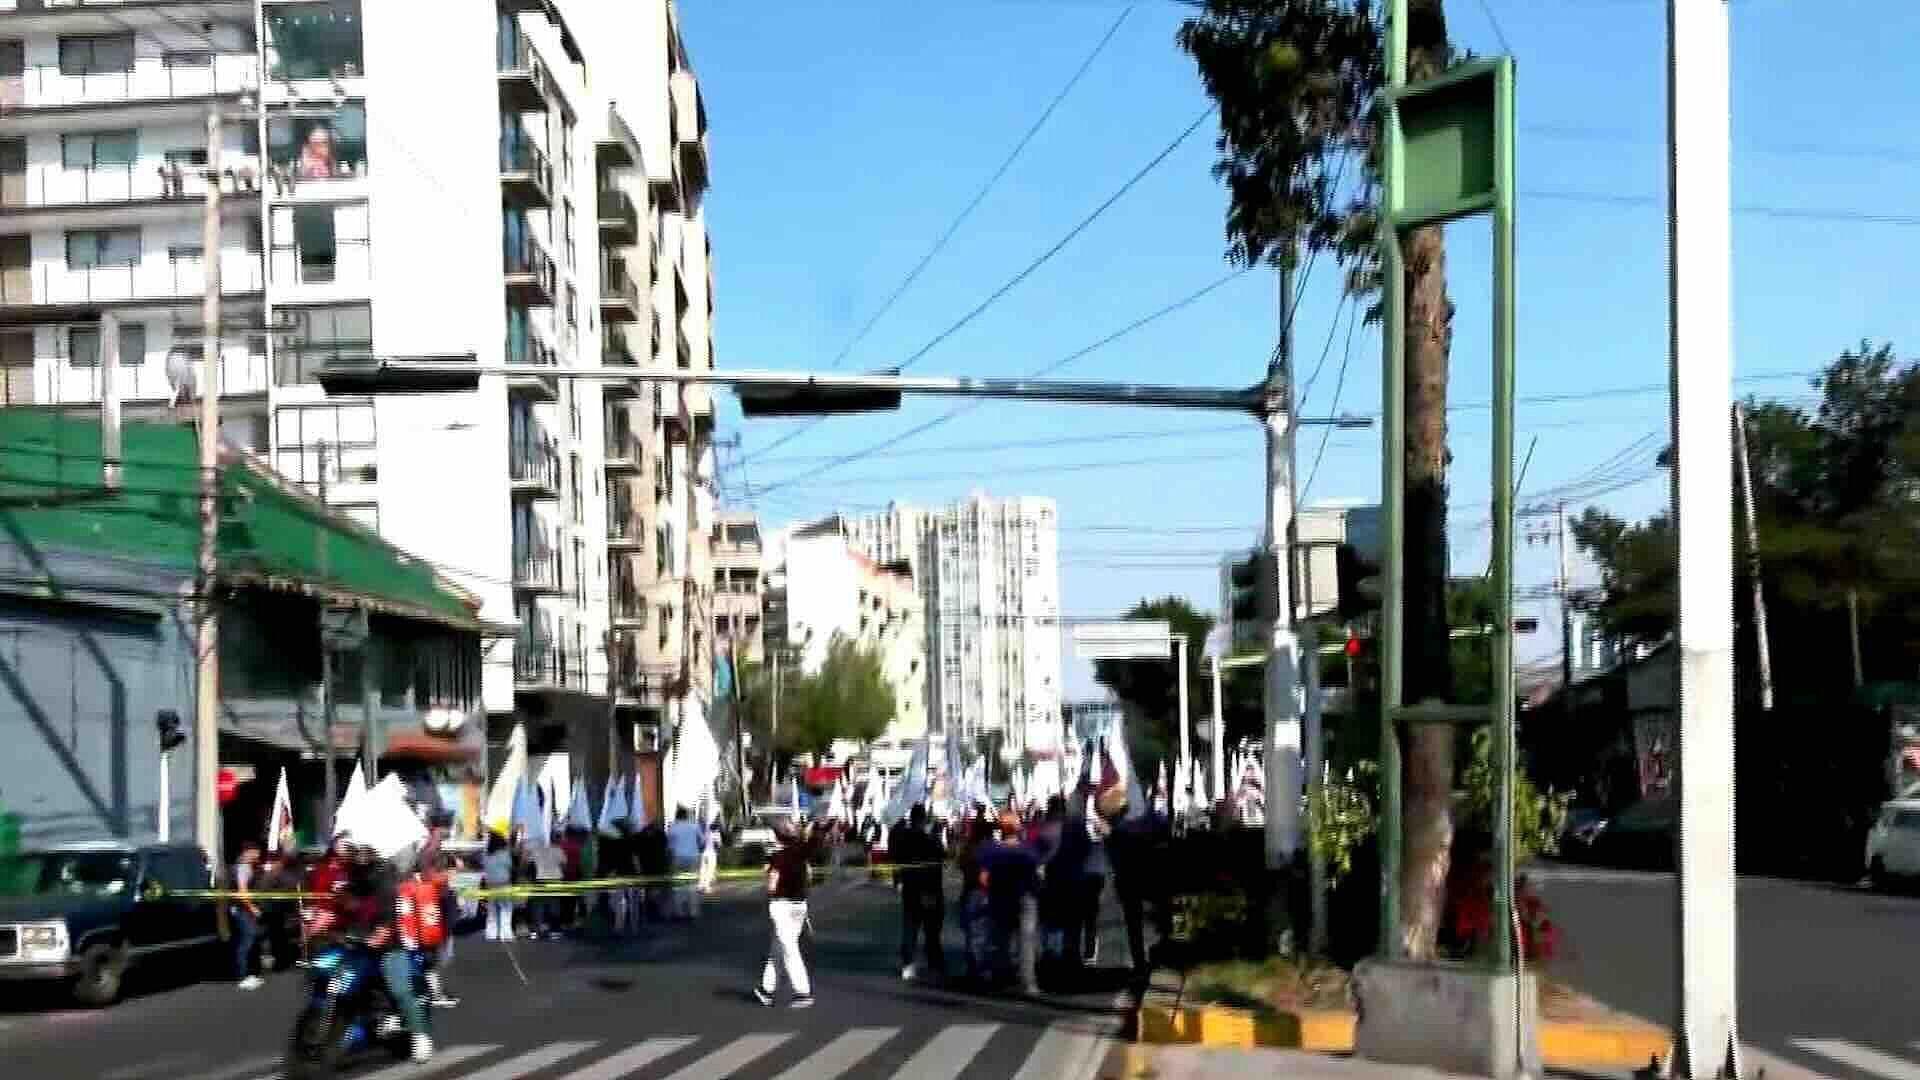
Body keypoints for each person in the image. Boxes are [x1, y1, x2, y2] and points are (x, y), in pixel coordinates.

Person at [754, 819, 814, 1008]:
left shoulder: (777, 857)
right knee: (778, 948)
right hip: (799, 906)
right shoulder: (801, 852)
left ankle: (803, 992)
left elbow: (772, 886)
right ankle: (766, 989)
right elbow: (810, 875)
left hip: (782, 906)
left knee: (788, 948)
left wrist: (769, 873)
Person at [979, 812, 1041, 994]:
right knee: (1026, 941)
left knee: (1000, 940)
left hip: (1000, 896)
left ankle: (1000, 978)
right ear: (1018, 828)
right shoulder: (1028, 850)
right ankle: (1027, 982)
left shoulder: (991, 850)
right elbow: (1036, 875)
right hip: (1025, 897)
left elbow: (983, 877)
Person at [891, 804, 946, 981]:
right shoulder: (929, 840)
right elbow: (940, 859)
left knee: (910, 928)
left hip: (910, 889)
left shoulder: (902, 839)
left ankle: (908, 964)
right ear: (923, 820)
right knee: (931, 929)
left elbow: (896, 861)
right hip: (929, 889)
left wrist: (898, 881)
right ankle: (934, 964)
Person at [229, 843, 264, 990]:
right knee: (246, 941)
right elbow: (242, 892)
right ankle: (241, 977)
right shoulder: (243, 867)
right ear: (247, 852)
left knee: (249, 939)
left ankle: (248, 974)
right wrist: (252, 908)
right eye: (256, 852)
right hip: (241, 910)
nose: (258, 856)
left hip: (243, 909)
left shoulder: (247, 867)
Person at [665, 807, 704, 920]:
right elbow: (702, 841)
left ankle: (679, 912)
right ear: (686, 815)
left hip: (677, 857)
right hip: (693, 857)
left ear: (676, 815)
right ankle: (693, 912)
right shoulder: (694, 826)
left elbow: (669, 846)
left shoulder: (673, 828)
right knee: (692, 885)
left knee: (678, 886)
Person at [481, 833, 515, 941]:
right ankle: (506, 934)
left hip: (491, 884)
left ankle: (491, 933)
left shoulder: (486, 855)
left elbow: (484, 867)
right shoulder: (504, 854)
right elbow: (510, 866)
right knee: (506, 910)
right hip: (503, 883)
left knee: (492, 911)